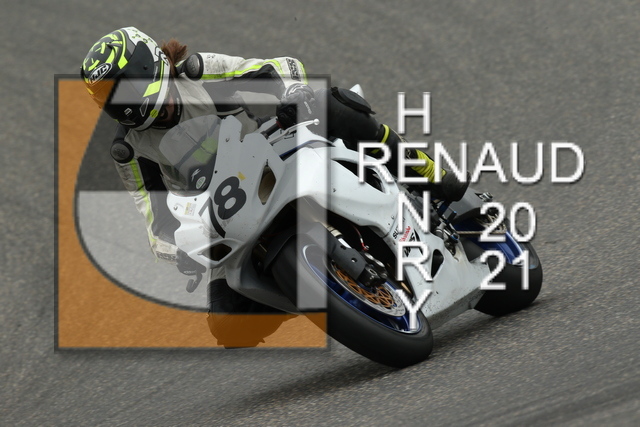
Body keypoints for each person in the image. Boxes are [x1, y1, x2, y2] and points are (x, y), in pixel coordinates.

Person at [81, 27, 467, 347]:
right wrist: (179, 251)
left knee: (331, 103)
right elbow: (156, 222)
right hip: (222, 213)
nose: (117, 102)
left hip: (272, 151)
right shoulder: (127, 149)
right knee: (228, 328)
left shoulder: (198, 72)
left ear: (147, 68)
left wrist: (292, 93)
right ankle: (317, 290)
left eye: (120, 88)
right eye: (106, 96)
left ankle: (424, 172)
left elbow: (278, 67)